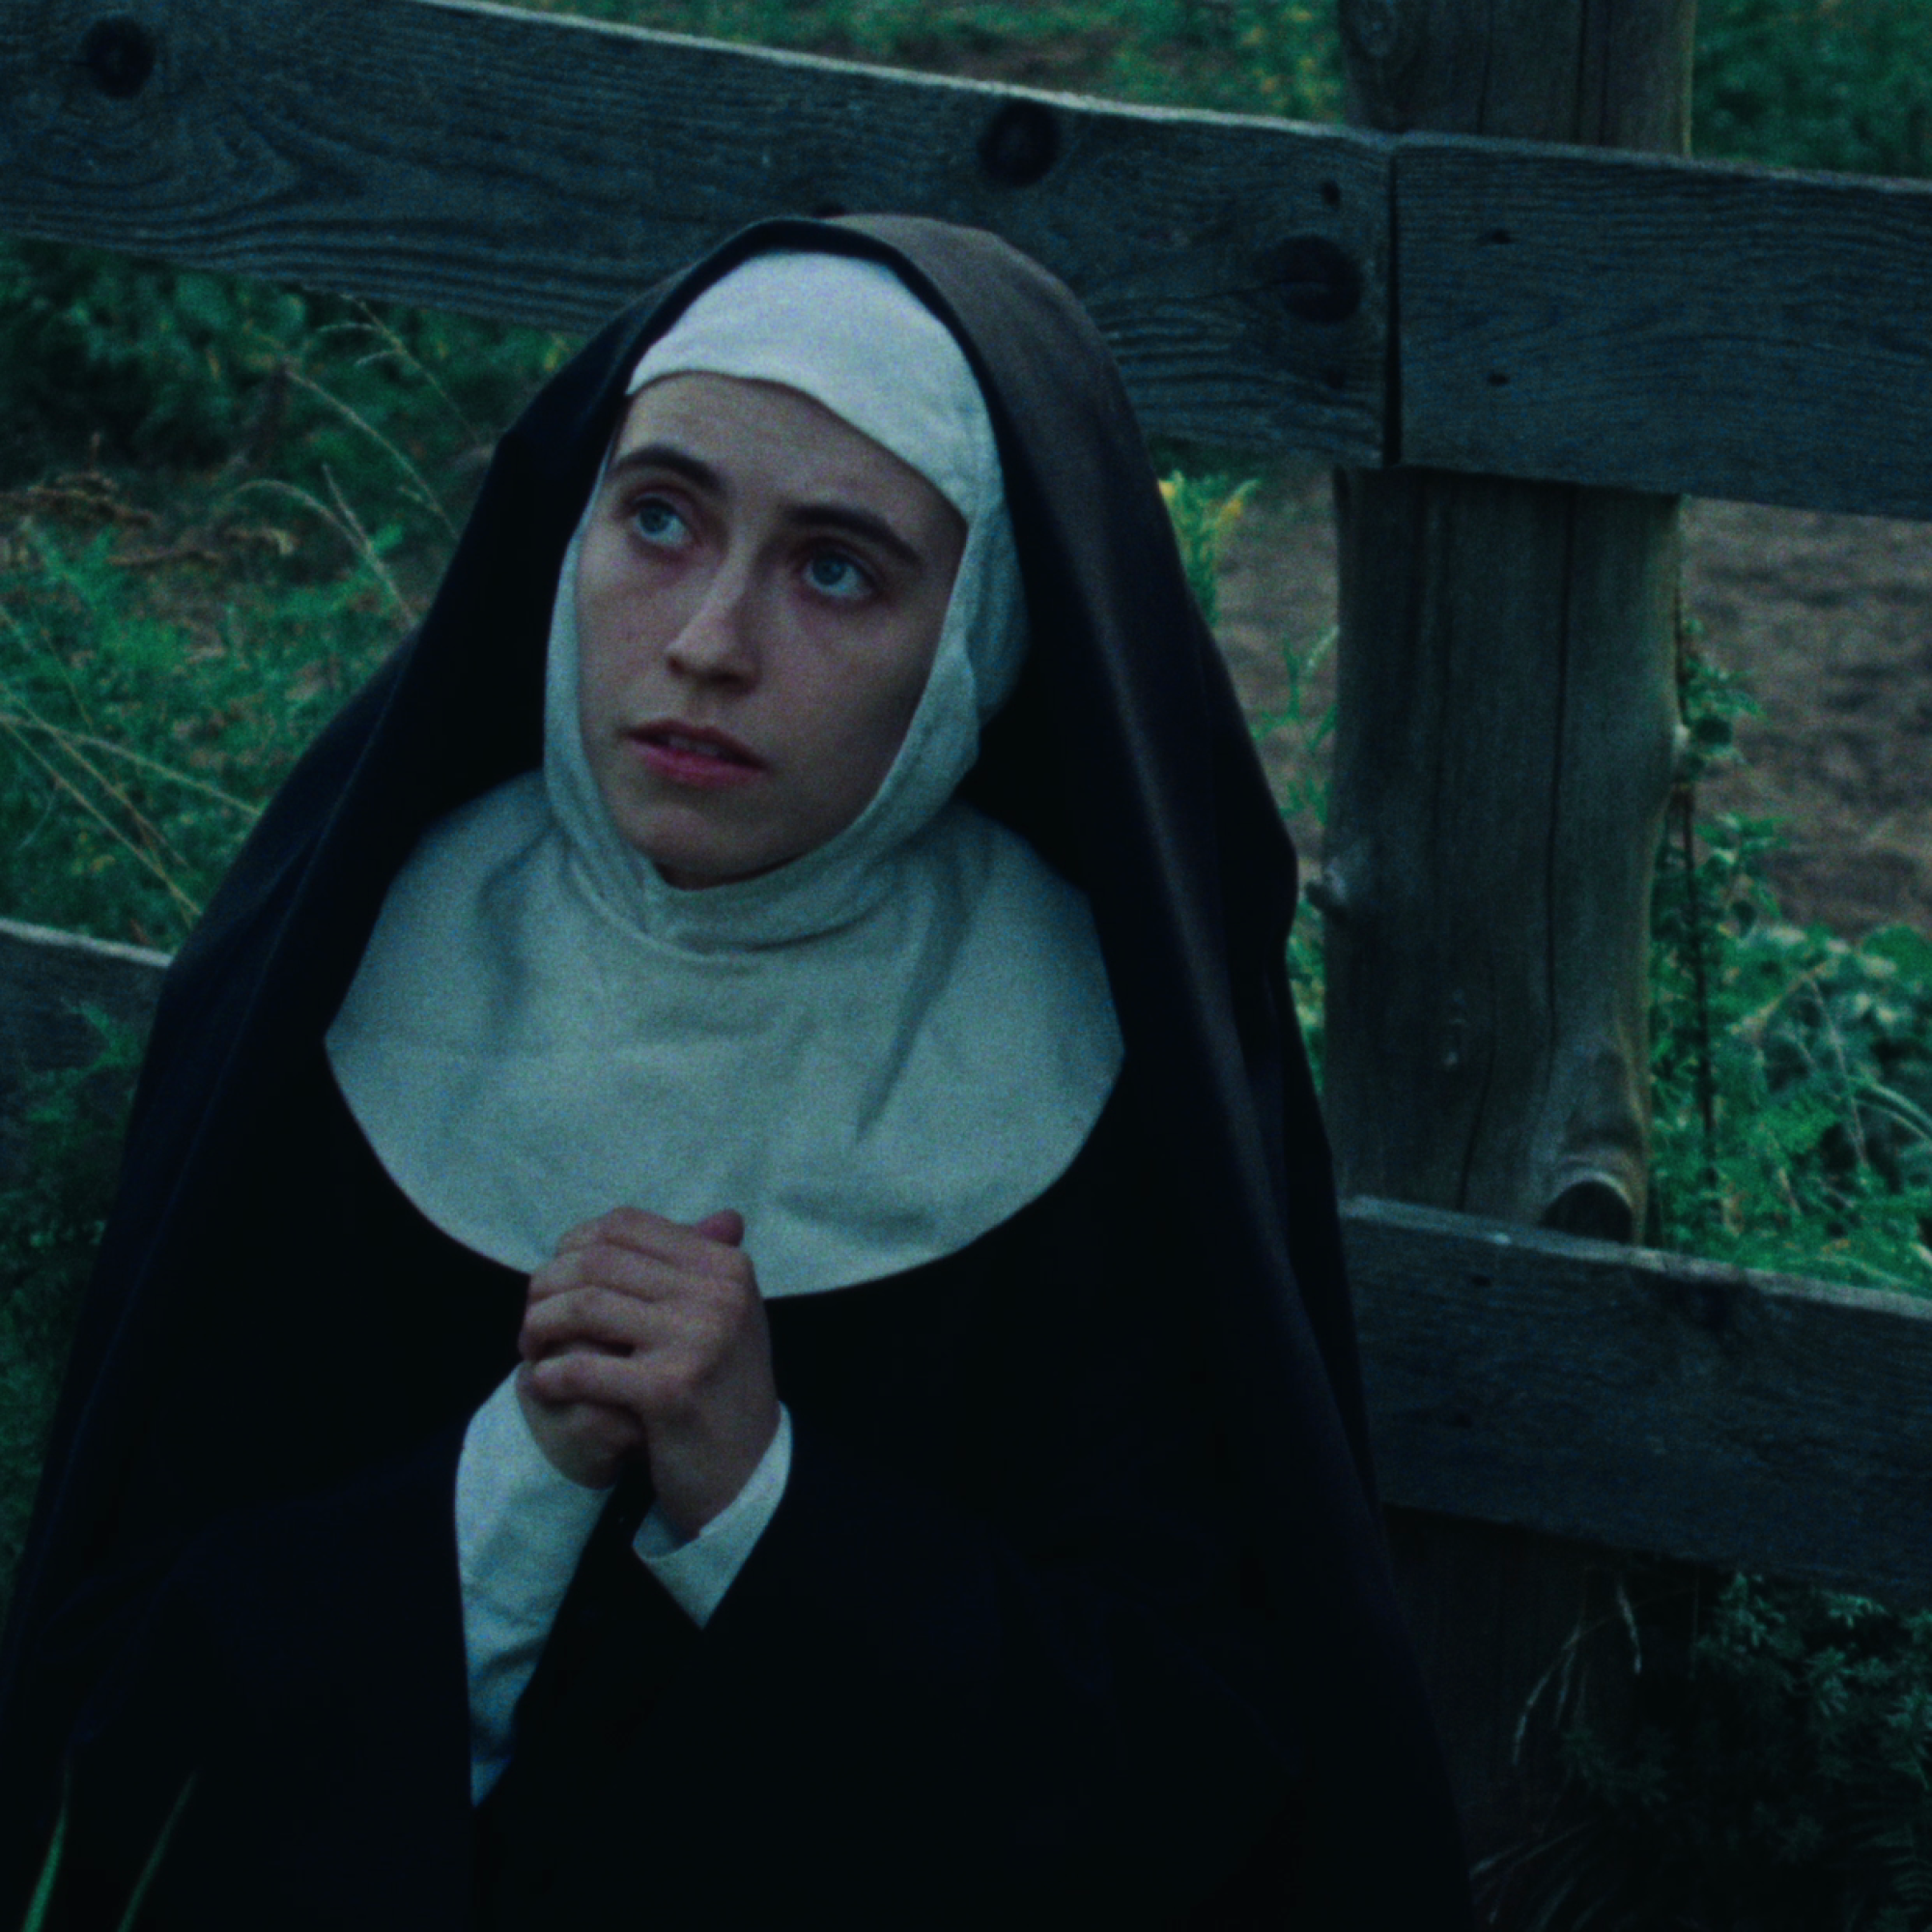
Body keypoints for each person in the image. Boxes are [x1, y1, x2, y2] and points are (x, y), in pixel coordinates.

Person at [0, 215, 1472, 1929]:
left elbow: (1191, 1775)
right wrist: (510, 1487)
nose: (707, 640)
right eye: (659, 517)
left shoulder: (1103, 1068)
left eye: (837, 569)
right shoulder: (342, 974)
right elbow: (115, 1703)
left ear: (982, 636)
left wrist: (765, 1503)